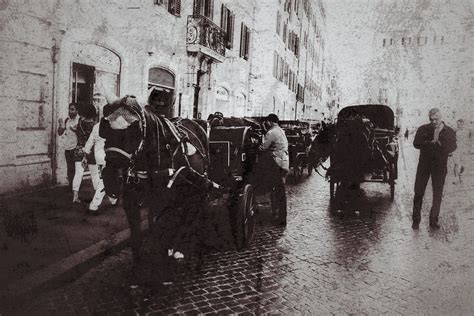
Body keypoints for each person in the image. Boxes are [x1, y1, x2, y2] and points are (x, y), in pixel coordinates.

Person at [412, 108, 456, 230]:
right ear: (429, 119)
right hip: (424, 165)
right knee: (419, 192)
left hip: (440, 166)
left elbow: (453, 146)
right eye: (432, 120)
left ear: (441, 118)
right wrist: (428, 143)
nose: (434, 122)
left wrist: (442, 145)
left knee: (437, 194)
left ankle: (433, 220)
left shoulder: (449, 131)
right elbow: (416, 143)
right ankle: (416, 221)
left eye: (436, 119)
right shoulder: (423, 129)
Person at [259, 114, 289, 226]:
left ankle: (281, 218)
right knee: (280, 191)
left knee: (278, 191)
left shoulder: (271, 133)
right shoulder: (280, 130)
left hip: (276, 164)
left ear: (270, 122)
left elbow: (262, 147)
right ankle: (280, 216)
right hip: (283, 163)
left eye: (267, 122)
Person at [72, 103, 100, 203]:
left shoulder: (80, 122)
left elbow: (76, 131)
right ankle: (97, 195)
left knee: (78, 173)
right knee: (94, 173)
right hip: (90, 152)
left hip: (79, 149)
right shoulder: (94, 125)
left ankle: (75, 195)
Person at [57, 103, 79, 189]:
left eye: (73, 109)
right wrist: (60, 124)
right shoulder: (67, 120)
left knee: (76, 169)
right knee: (70, 168)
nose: (70, 111)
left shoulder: (80, 120)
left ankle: (76, 187)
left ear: (77, 111)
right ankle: (71, 186)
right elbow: (60, 132)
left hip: (76, 148)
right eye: (69, 109)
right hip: (68, 147)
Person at [452, 119, 471, 184]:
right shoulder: (455, 131)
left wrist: (469, 149)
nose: (458, 125)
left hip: (464, 149)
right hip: (456, 149)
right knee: (456, 164)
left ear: (462, 124)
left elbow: (469, 140)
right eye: (457, 124)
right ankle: (456, 178)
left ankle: (460, 175)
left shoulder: (467, 131)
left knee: (463, 166)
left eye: (459, 124)